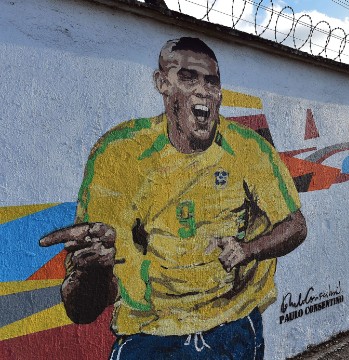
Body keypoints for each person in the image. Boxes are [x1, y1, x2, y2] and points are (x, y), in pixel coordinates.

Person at [40, 37, 307, 359]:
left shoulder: (249, 148)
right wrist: (93, 271)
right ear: (162, 83)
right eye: (188, 77)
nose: (202, 91)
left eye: (212, 81)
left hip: (233, 326)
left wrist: (249, 250)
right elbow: (83, 310)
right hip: (150, 333)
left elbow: (295, 224)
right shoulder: (120, 153)